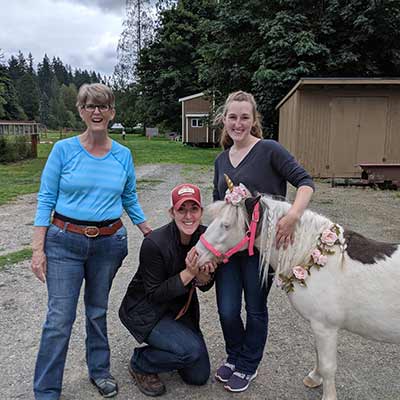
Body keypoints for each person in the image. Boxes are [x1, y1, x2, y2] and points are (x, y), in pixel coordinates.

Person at [31, 83, 152, 400]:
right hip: (64, 243)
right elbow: (46, 199)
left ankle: (99, 371)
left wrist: (149, 231)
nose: (96, 111)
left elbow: (129, 198)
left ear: (112, 112)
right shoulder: (63, 150)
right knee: (59, 318)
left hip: (108, 245)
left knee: (97, 311)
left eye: (103, 106)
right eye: (89, 106)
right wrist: (37, 249)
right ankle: (45, 390)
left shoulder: (123, 155)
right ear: (80, 111)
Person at [212, 91, 315, 392]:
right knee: (227, 309)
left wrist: (293, 216)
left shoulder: (269, 150)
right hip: (230, 251)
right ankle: (234, 355)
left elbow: (306, 183)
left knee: (255, 308)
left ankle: (247, 364)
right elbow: (219, 207)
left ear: (254, 120)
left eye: (245, 117)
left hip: (262, 250)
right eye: (233, 117)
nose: (238, 123)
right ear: (225, 120)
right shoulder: (220, 160)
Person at [119, 183, 216, 397]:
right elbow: (154, 294)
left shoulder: (207, 238)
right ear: (172, 212)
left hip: (179, 312)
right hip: (145, 311)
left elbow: (207, 285)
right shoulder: (154, 242)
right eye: (182, 209)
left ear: (201, 211)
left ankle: (174, 347)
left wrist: (202, 276)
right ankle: (141, 362)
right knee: (190, 351)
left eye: (194, 209)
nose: (188, 216)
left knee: (198, 376)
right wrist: (189, 273)